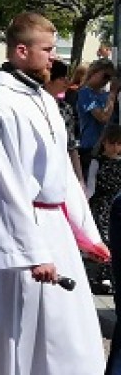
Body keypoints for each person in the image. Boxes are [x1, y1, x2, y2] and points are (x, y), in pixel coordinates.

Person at [0, 12, 109, 375]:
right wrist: (30, 252)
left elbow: (60, 172)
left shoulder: (42, 99)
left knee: (69, 341)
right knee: (19, 337)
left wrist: (86, 232)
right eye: (47, 49)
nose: (53, 58)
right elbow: (2, 184)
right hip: (19, 233)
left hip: (54, 227)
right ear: (21, 50)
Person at [85, 123, 121, 293]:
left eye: (119, 144)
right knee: (104, 239)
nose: (115, 147)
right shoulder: (97, 161)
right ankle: (102, 277)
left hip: (117, 205)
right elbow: (91, 185)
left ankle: (112, 276)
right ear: (104, 142)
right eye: (112, 143)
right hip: (101, 205)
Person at [76, 58, 116, 179]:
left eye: (109, 78)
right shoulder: (85, 93)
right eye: (105, 76)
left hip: (108, 147)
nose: (106, 81)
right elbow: (102, 117)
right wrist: (113, 93)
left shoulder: (104, 95)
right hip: (91, 147)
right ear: (95, 72)